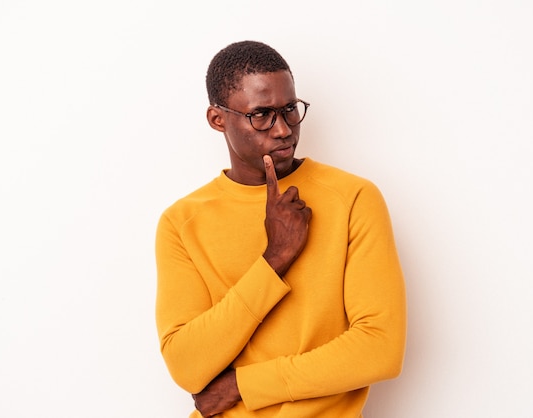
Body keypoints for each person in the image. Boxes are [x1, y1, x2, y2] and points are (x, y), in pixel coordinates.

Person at [155, 40, 407, 418]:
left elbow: (380, 348)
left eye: (290, 109)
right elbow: (187, 367)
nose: (283, 129)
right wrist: (274, 259)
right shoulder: (182, 221)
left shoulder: (352, 198)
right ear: (217, 119)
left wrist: (244, 385)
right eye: (261, 115)